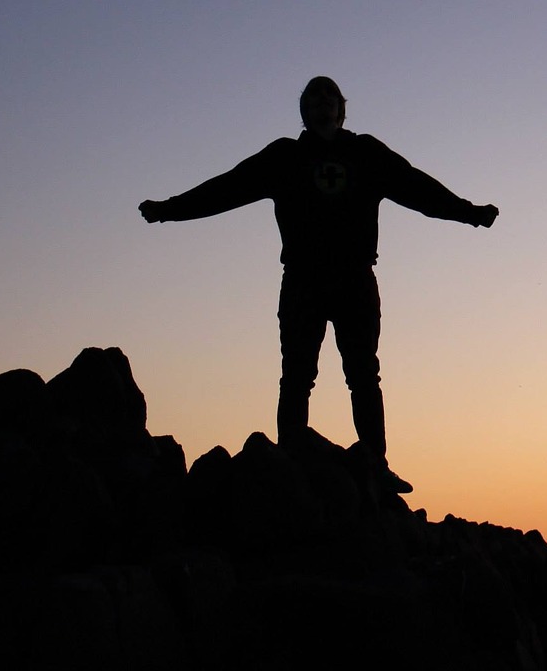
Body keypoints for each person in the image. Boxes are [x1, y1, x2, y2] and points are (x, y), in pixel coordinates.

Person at [139, 76, 497, 493]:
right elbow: (227, 188)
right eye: (314, 94)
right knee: (296, 375)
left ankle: (375, 466)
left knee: (363, 374)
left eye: (330, 94)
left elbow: (417, 187)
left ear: (342, 109)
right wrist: (170, 210)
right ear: (304, 111)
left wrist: (468, 212)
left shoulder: (365, 153)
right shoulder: (285, 157)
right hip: (303, 281)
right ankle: (289, 458)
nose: (323, 100)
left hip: (355, 279)